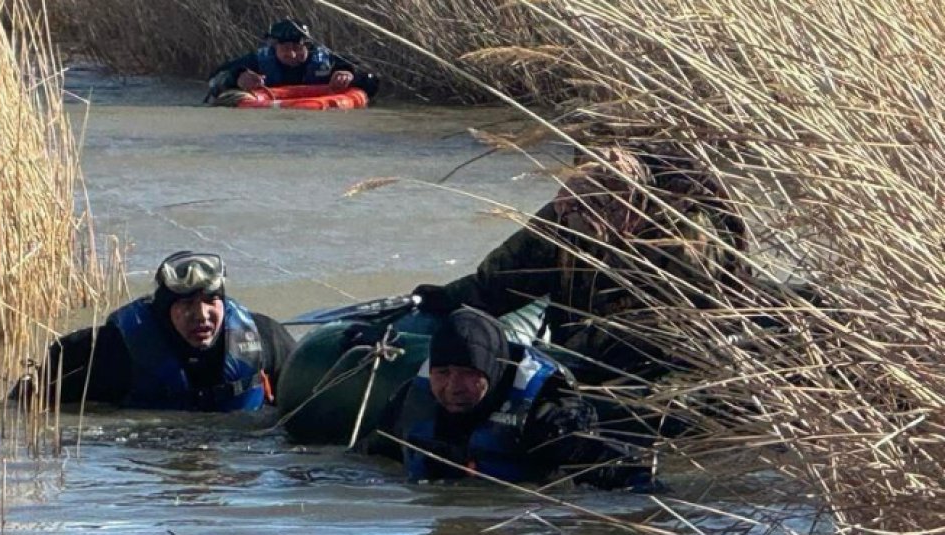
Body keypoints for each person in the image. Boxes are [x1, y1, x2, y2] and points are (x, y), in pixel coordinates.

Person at [411, 144, 753, 381]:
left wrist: (550, 364)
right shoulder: (568, 211)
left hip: (667, 366)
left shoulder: (683, 240)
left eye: (596, 211)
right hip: (576, 352)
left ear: (627, 206)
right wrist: (447, 300)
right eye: (576, 207)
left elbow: (647, 333)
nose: (582, 221)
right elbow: (507, 279)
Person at [355, 308, 661, 490]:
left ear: (490, 369)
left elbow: (621, 472)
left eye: (466, 372)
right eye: (443, 372)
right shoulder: (413, 402)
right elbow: (372, 456)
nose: (453, 386)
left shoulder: (545, 414)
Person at [16, 251, 295, 412]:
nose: (201, 314)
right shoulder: (109, 350)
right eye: (186, 303)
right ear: (164, 310)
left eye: (211, 300)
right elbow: (23, 406)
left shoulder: (265, 337)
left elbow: (306, 401)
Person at [205, 18, 380, 104]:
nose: (293, 54)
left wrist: (349, 74)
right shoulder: (257, 61)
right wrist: (235, 78)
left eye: (298, 47)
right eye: (286, 48)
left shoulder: (327, 60)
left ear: (308, 46)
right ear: (275, 47)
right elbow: (213, 80)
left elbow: (372, 78)